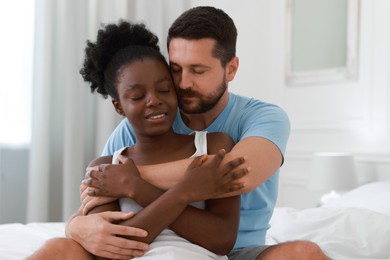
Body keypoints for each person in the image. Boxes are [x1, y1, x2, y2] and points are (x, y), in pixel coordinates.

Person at [68, 6, 330, 260]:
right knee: (57, 249)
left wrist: (131, 181)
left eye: (198, 70)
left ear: (231, 68)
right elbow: (98, 193)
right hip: (149, 247)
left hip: (239, 252)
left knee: (305, 254)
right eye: (176, 69)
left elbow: (236, 174)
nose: (183, 83)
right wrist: (75, 226)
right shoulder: (136, 127)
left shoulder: (263, 117)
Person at [28, 20, 248, 260]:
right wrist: (183, 193)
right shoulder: (104, 168)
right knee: (55, 248)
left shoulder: (214, 145)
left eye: (164, 89)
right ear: (119, 106)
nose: (153, 100)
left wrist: (136, 187)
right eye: (136, 96)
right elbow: (111, 250)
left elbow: (221, 240)